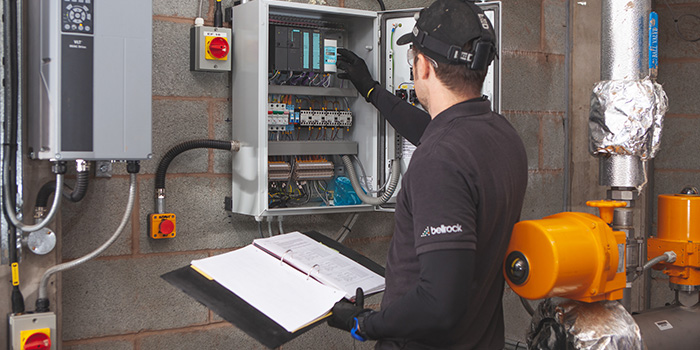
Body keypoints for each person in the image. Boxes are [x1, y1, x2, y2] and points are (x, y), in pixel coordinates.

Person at [326, 0, 529, 349]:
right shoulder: (502, 135)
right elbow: (430, 130)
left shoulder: (440, 159)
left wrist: (366, 324)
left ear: (423, 66)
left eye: (412, 57)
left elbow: (439, 304)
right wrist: (371, 90)